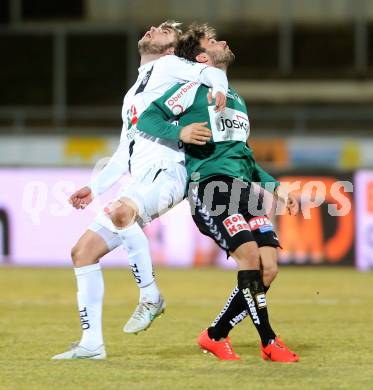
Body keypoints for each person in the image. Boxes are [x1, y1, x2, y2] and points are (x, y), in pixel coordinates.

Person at [52, 21, 229, 360]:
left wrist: (219, 88)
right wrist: (95, 186)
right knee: (82, 253)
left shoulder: (171, 65)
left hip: (169, 171)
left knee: (121, 212)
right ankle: (92, 344)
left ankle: (151, 295)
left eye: (164, 29)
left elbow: (210, 73)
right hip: (140, 178)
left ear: (171, 48)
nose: (153, 27)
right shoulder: (132, 93)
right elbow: (124, 150)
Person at [136, 23, 299, 363]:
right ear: (200, 56)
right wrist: (179, 130)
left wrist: (276, 187)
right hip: (212, 188)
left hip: (244, 191)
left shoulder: (236, 98)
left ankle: (215, 335)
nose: (222, 41)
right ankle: (269, 342)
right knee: (250, 257)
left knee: (269, 268)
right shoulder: (191, 89)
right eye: (213, 41)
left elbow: (247, 158)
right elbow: (148, 118)